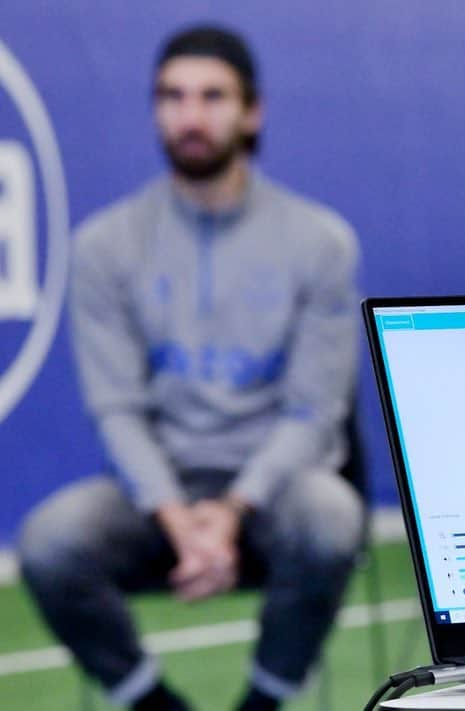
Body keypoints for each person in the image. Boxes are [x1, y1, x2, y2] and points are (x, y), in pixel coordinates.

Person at [16, 25, 362, 711]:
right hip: (157, 499)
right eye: (171, 97)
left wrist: (232, 512)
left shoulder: (321, 241)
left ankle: (258, 706)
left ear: (251, 112)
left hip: (276, 494)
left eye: (212, 96)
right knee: (51, 539)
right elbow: (116, 408)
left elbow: (313, 413)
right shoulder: (103, 245)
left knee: (331, 514)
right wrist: (183, 522)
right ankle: (155, 706)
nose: (190, 115)